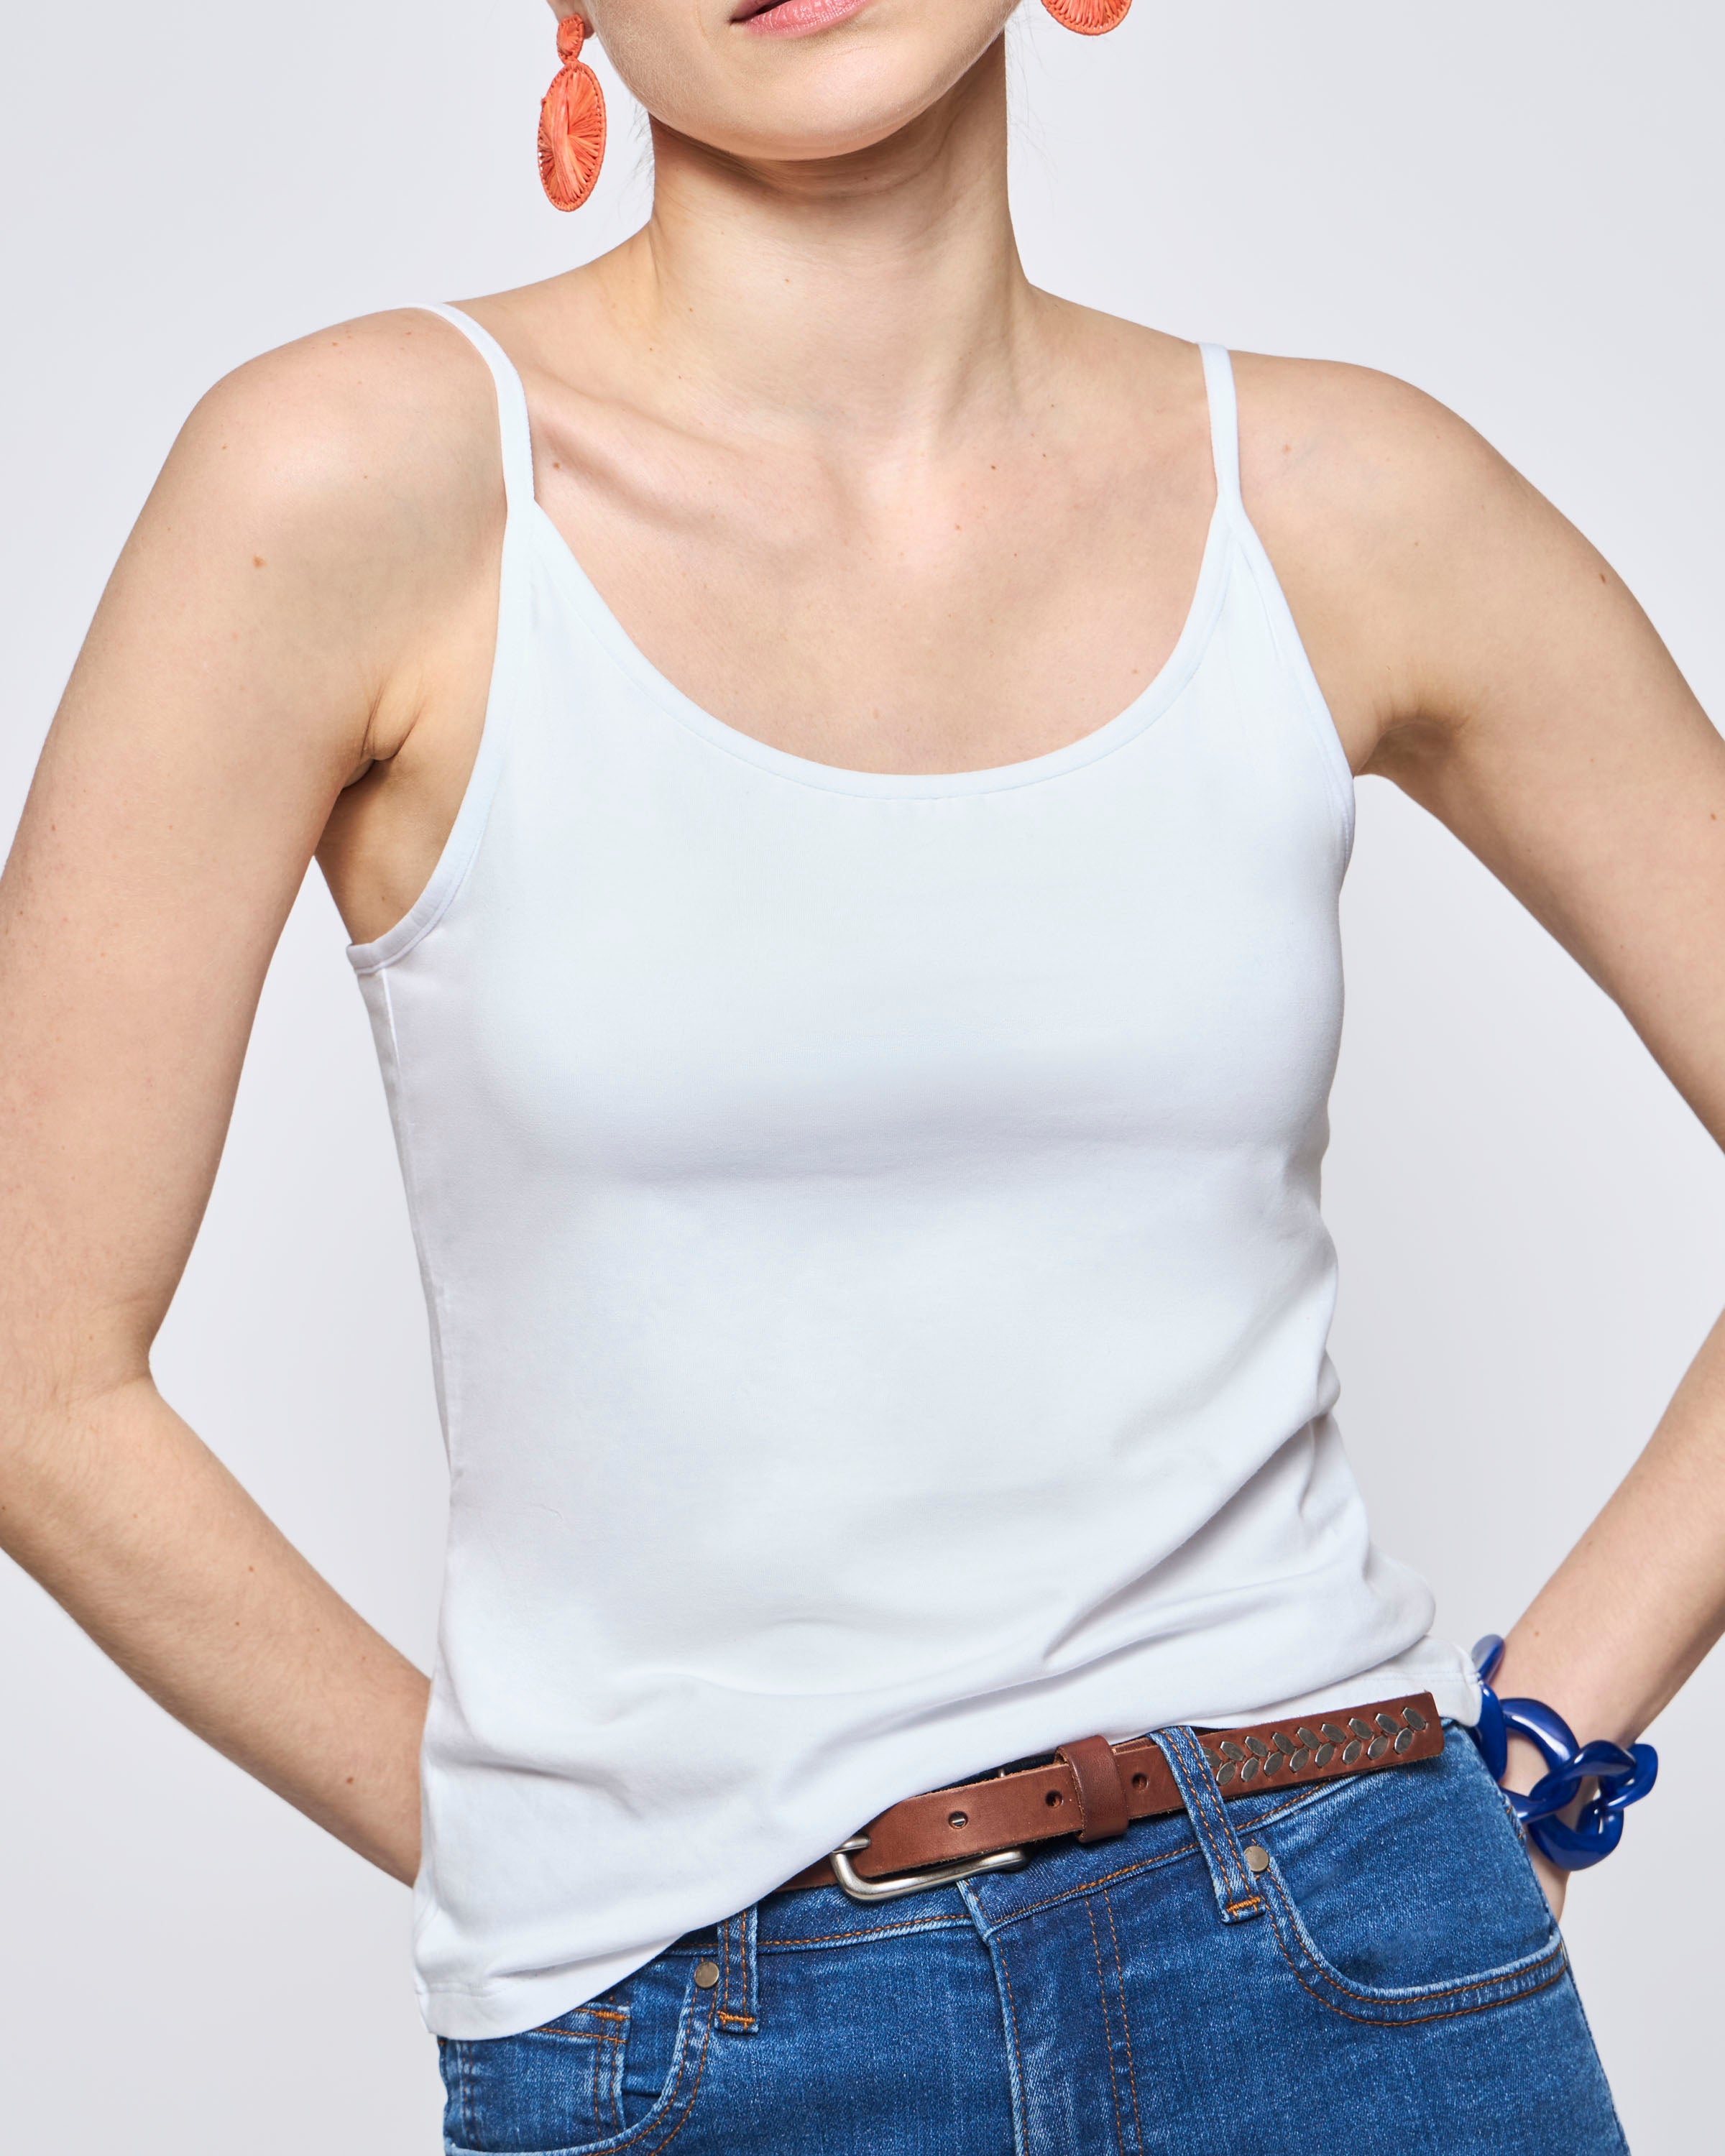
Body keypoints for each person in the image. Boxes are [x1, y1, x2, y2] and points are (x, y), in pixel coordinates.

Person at [1, 1, 1721, 2147]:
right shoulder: (352, 485)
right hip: (702, 2036)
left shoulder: (1339, 497)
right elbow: (33, 1370)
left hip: (1346, 1953)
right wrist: (539, 1850)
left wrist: (1541, 1752)